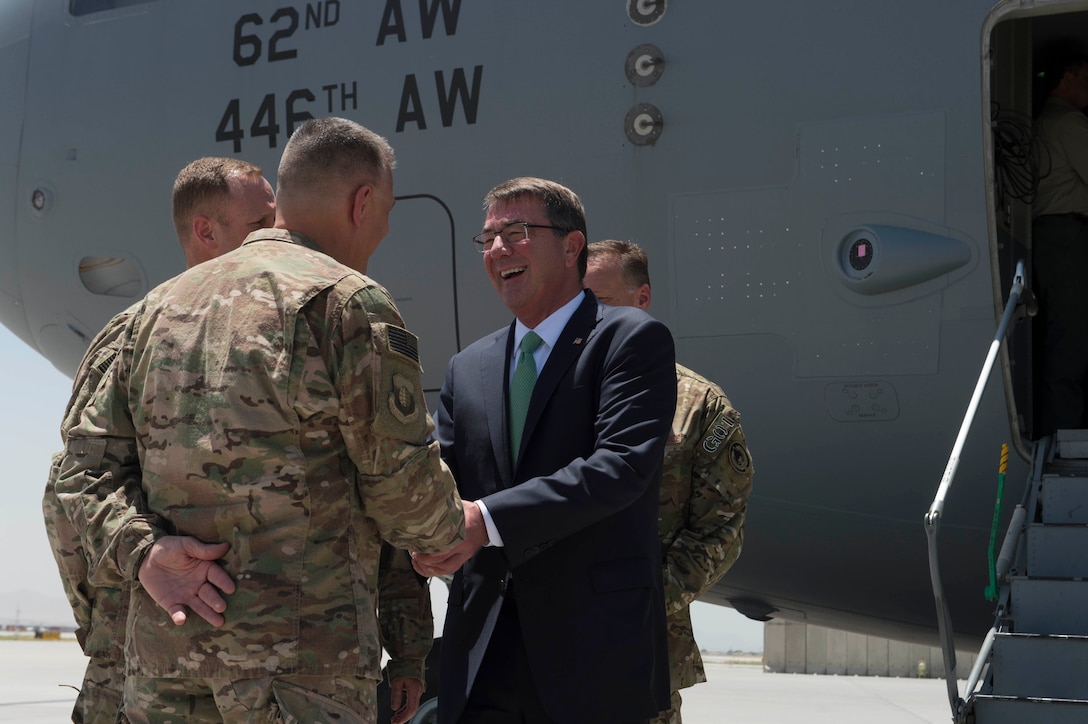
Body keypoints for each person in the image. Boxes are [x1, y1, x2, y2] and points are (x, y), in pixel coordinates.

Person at [54, 118, 466, 722]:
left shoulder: (145, 316)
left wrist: (144, 552)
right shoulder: (347, 301)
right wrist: (452, 531)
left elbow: (79, 477)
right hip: (300, 672)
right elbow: (399, 484)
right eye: (386, 210)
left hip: (165, 667)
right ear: (363, 203)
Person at [412, 177, 677, 724]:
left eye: (518, 232)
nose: (498, 250)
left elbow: (621, 466)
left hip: (592, 660)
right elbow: (444, 482)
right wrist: (425, 534)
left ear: (572, 245)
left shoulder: (629, 339)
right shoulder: (469, 366)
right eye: (487, 239)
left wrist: (483, 521)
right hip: (482, 657)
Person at [42, 156, 276, 723]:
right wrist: (138, 563)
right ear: (205, 231)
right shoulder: (131, 336)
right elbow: (69, 491)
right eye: (260, 227)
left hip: (254, 664)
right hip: (141, 664)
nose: (279, 238)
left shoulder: (284, 326)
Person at [583, 239, 754, 724]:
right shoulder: (551, 392)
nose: (587, 318)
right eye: (578, 303)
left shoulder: (699, 406)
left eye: (601, 302)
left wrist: (642, 599)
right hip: (548, 645)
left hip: (642, 651)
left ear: (642, 300)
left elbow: (720, 530)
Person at [1032, 54, 1088, 435]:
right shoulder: (1068, 121)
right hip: (1069, 236)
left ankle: (1058, 425)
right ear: (1067, 78)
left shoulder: (1039, 123)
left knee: (1059, 330)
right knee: (1071, 332)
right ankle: (1066, 431)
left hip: (1048, 237)